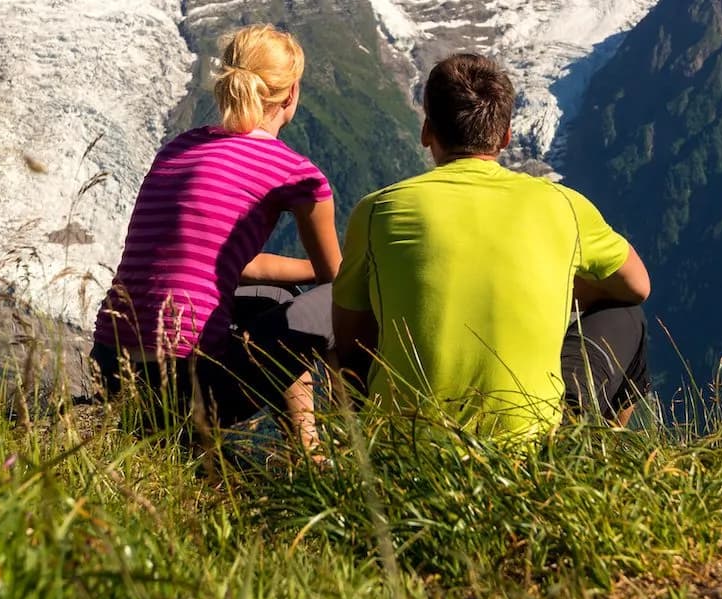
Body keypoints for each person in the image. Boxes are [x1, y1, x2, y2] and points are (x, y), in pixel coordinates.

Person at [330, 52, 651, 437]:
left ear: (427, 131)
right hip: (530, 448)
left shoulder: (377, 210)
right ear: (505, 136)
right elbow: (637, 285)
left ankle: (359, 459)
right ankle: (591, 462)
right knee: (628, 313)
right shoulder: (565, 205)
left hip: (408, 442)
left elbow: (350, 345)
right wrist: (557, 288)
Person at [91, 24, 341, 451]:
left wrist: (301, 273)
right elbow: (339, 278)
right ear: (291, 93)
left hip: (113, 370)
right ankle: (341, 450)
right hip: (190, 388)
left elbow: (220, 263)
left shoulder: (179, 148)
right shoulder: (297, 175)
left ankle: (306, 449)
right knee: (337, 302)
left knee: (275, 301)